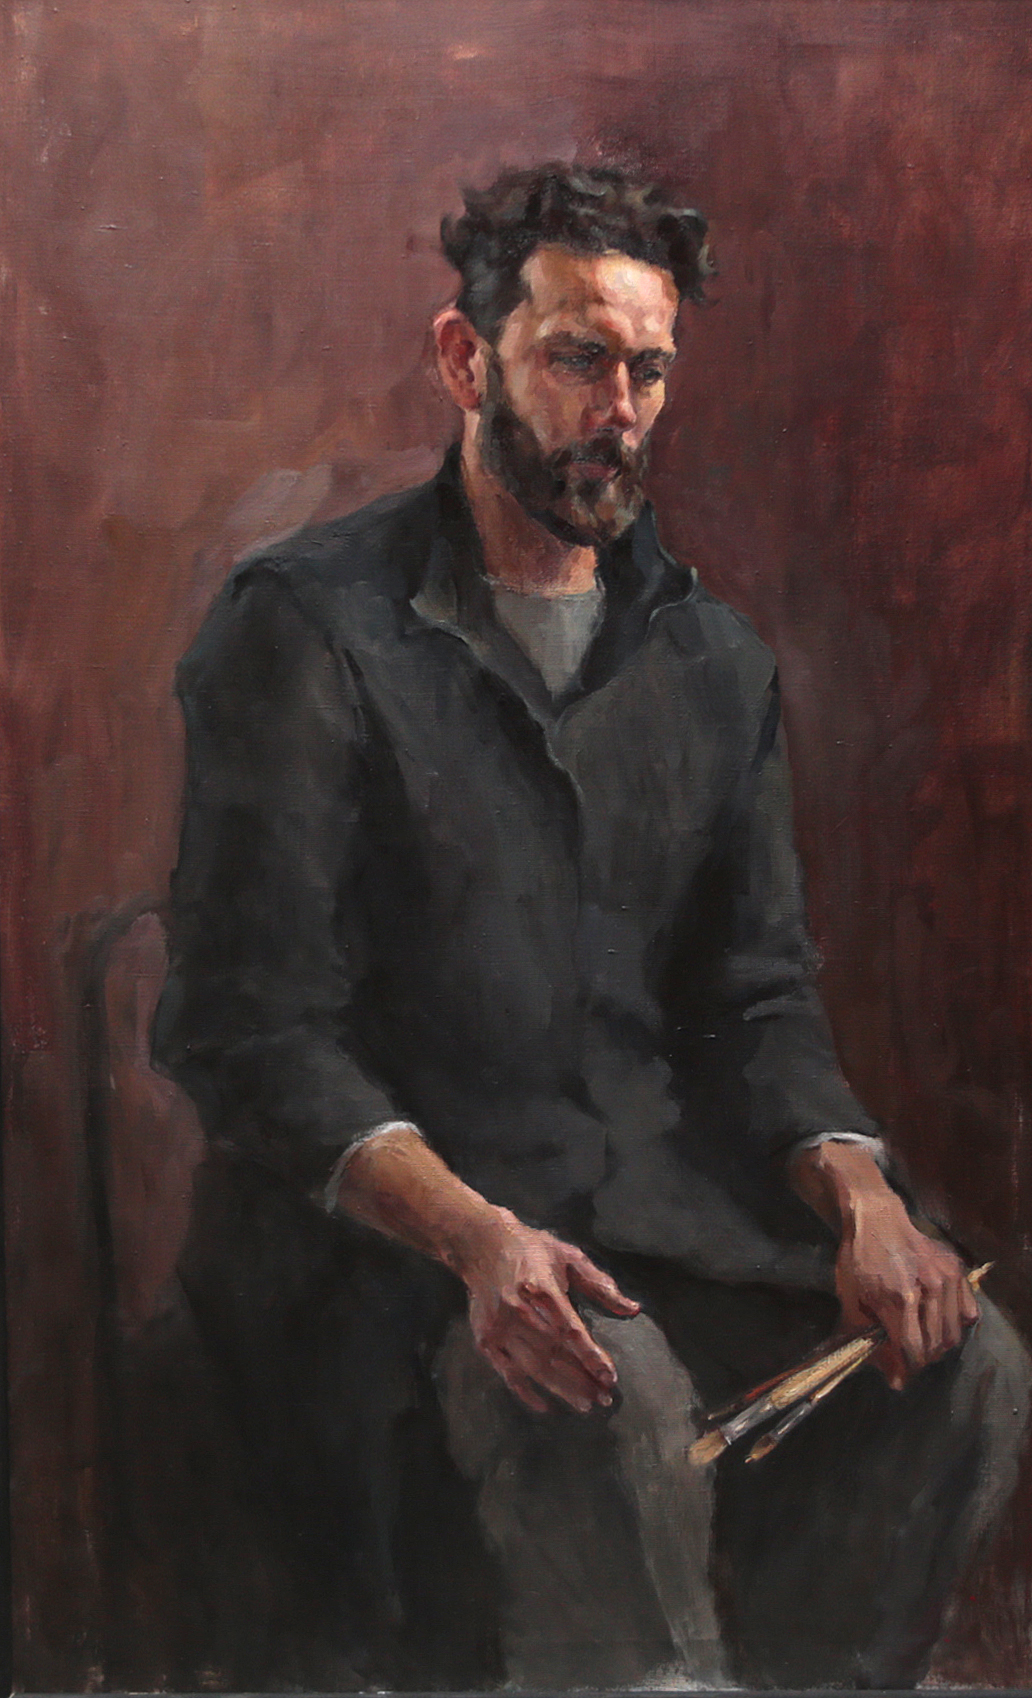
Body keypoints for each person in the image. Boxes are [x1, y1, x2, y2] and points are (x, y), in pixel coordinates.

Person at [154, 163, 1031, 1689]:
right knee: (598, 1382)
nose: (620, 409)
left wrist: (866, 1201)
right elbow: (250, 1031)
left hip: (648, 1234)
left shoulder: (713, 664)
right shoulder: (304, 628)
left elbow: (762, 997)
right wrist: (480, 1236)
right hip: (387, 1265)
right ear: (464, 357)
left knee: (969, 1371)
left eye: (651, 369)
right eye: (578, 358)